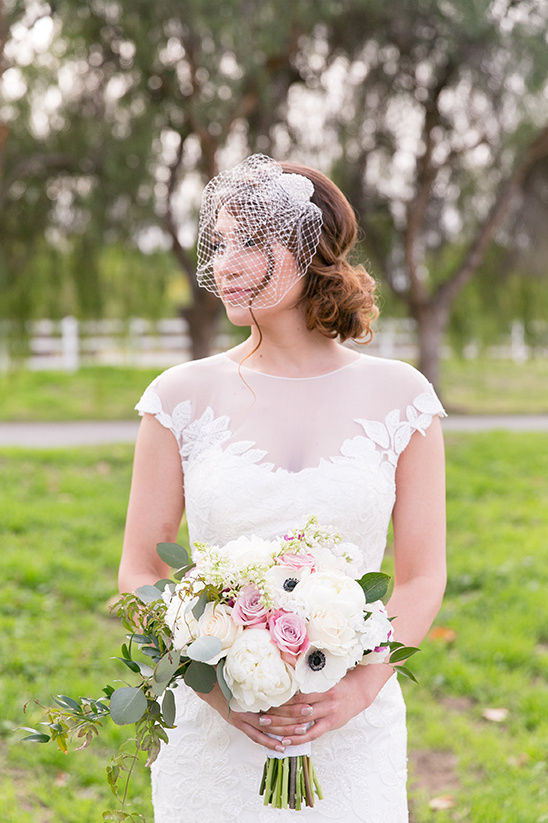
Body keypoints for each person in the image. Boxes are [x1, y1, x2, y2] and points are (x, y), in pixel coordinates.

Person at [118, 154, 446, 822]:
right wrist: (214, 686)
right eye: (222, 241)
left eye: (252, 242)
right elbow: (141, 569)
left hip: (353, 731)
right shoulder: (178, 398)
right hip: (213, 738)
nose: (227, 263)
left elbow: (418, 576)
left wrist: (356, 691)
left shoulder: (402, 397)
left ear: (310, 250)